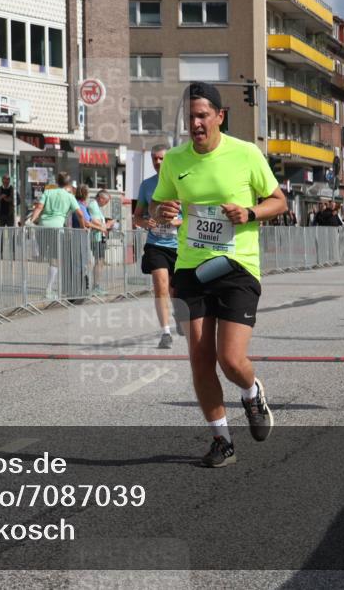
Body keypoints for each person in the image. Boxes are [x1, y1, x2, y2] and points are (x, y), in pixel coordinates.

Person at [150, 81, 287, 468]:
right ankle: (222, 440)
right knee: (200, 359)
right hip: (190, 270)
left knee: (230, 359)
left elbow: (279, 201)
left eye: (202, 116)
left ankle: (251, 392)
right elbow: (159, 205)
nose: (195, 123)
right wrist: (162, 211)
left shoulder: (246, 154)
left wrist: (250, 213)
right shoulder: (175, 160)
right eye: (190, 117)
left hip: (237, 267)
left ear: (219, 117)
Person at [133, 144, 184, 349]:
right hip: (156, 244)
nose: (157, 162)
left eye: (161, 158)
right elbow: (137, 216)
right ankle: (166, 332)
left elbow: (194, 214)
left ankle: (179, 314)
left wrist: (178, 222)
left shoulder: (181, 183)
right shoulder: (147, 185)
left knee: (176, 290)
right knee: (160, 286)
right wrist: (146, 223)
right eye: (154, 158)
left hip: (180, 246)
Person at [30, 171, 87, 300]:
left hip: (43, 227)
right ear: (68, 183)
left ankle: (40, 256)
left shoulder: (48, 192)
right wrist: (83, 227)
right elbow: (80, 214)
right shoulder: (69, 196)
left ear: (57, 181)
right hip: (57, 228)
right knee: (54, 260)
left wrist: (31, 221)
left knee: (42, 257)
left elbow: (39, 208)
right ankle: (48, 290)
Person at [88, 190, 114, 295]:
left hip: (100, 237)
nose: (106, 204)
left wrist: (106, 224)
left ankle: (96, 285)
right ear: (101, 198)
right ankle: (95, 286)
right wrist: (108, 224)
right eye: (106, 201)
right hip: (96, 238)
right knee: (99, 261)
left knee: (101, 261)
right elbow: (95, 221)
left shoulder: (96, 206)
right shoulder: (93, 205)